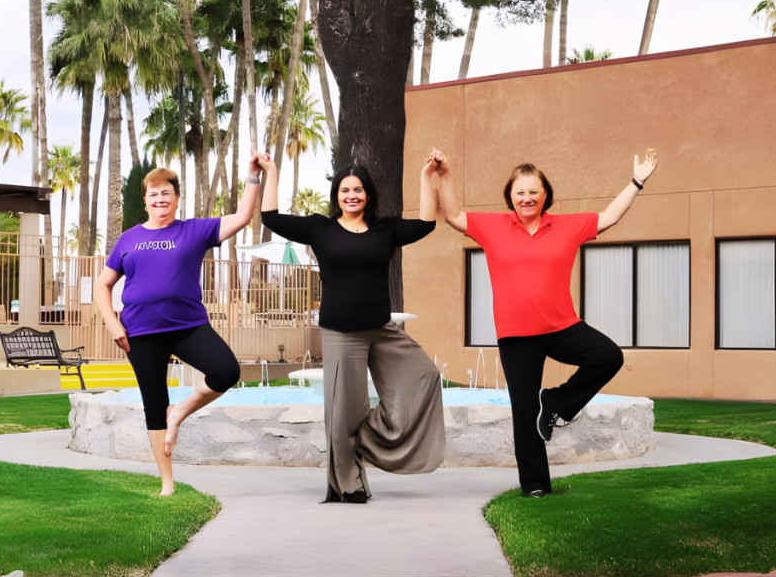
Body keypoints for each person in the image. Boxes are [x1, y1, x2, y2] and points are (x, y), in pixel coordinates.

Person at [434, 147, 658, 497]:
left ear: (545, 195)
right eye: (520, 192)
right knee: (524, 413)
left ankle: (554, 403)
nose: (526, 198)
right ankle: (536, 486)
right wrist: (444, 174)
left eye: (533, 192)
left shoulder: (566, 226)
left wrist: (636, 182)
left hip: (561, 327)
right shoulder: (493, 227)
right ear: (510, 196)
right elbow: (452, 215)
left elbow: (609, 216)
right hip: (516, 335)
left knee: (609, 356)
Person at [261, 155, 445, 503]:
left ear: (368, 195)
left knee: (425, 376)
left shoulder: (385, 229)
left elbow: (426, 224)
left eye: (358, 189)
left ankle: (365, 439)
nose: (352, 195)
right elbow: (270, 218)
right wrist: (271, 172)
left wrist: (426, 177)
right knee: (343, 411)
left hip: (381, 328)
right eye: (345, 190)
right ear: (337, 195)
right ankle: (349, 484)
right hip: (341, 332)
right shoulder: (320, 228)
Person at [93, 153, 269, 496]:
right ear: (145, 200)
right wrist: (113, 324)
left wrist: (252, 175)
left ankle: (179, 412)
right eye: (153, 194)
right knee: (153, 402)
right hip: (140, 332)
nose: (160, 199)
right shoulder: (128, 239)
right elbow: (103, 285)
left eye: (166, 193)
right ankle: (167, 483)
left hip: (187, 326)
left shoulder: (194, 230)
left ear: (176, 198)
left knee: (226, 371)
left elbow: (243, 217)